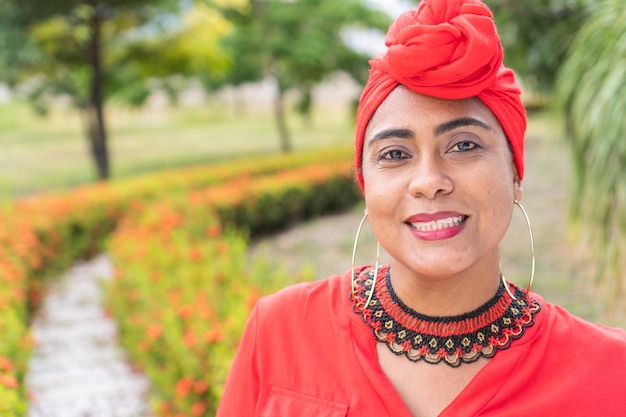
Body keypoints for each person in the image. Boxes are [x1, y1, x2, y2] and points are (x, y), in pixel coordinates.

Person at [216, 0, 626, 416]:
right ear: (365, 183)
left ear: (516, 173)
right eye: (394, 154)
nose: (429, 181)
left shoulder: (612, 372)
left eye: (464, 145)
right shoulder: (280, 330)